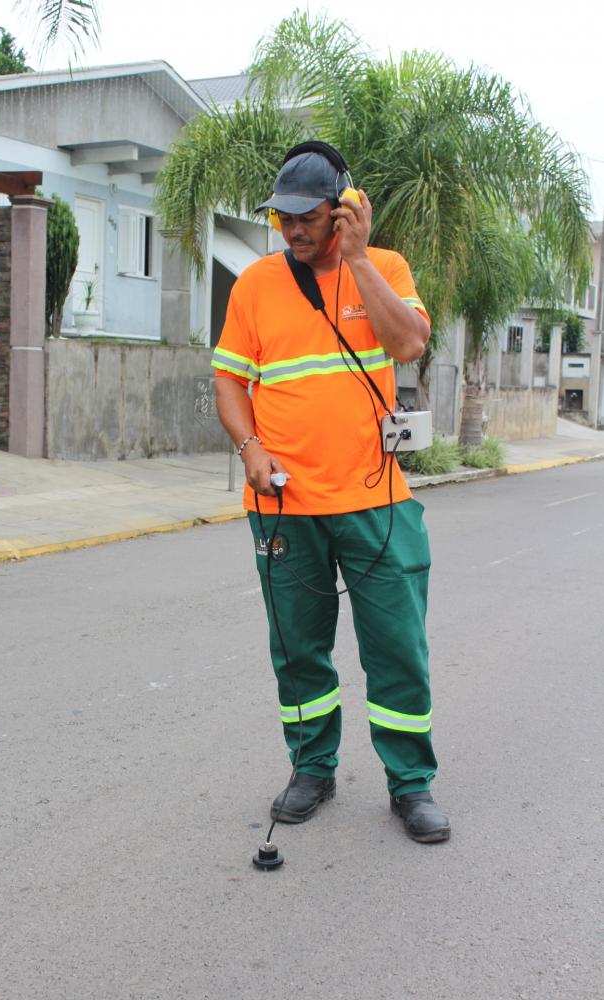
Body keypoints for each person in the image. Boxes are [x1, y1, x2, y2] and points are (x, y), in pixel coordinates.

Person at [212, 141, 450, 843]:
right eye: (283, 218)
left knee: (397, 647)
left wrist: (361, 260)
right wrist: (250, 450)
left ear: (343, 211)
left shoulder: (386, 268)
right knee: (298, 651)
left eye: (308, 216)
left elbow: (408, 344)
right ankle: (311, 767)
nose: (293, 230)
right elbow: (229, 379)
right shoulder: (255, 285)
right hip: (285, 507)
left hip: (377, 504)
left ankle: (411, 783)